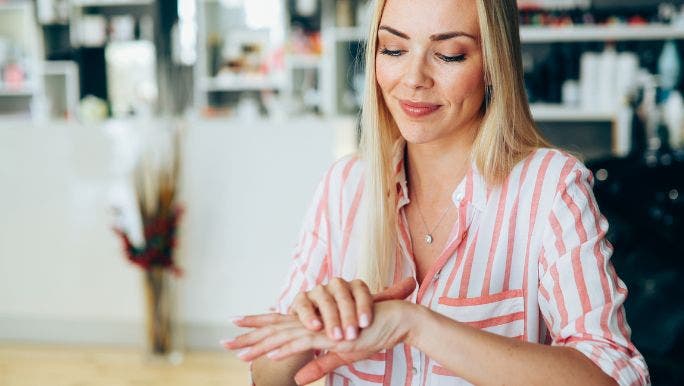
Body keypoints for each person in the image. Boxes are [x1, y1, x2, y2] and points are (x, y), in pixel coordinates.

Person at [223, 0, 650, 385]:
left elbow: (616, 376)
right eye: (393, 50)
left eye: (449, 54)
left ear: (493, 64)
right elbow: (267, 377)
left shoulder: (550, 187)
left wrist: (416, 325)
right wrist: (305, 327)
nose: (413, 78)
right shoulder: (344, 187)